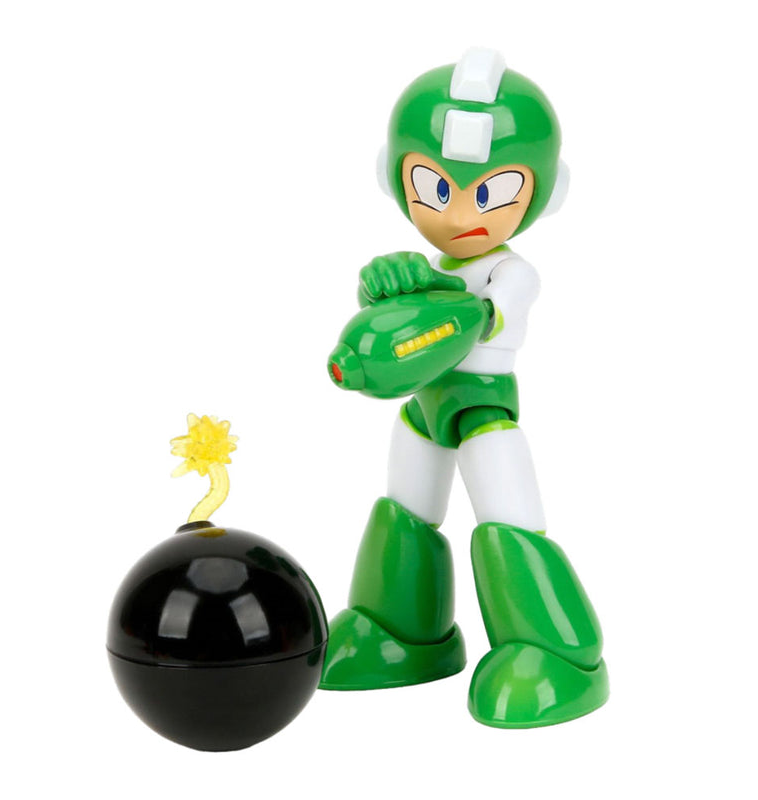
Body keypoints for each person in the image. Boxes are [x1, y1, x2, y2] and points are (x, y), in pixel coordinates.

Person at [319, 48, 609, 728]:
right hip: (423, 410)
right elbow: (393, 323)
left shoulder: (512, 272)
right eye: (434, 187)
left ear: (543, 194)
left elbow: (488, 314)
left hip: (484, 412)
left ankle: (555, 653)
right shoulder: (430, 263)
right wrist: (387, 290)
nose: (457, 215)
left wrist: (440, 304)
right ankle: (400, 631)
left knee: (507, 519)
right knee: (407, 509)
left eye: (490, 193)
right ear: (394, 178)